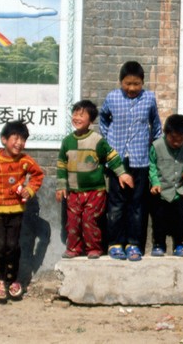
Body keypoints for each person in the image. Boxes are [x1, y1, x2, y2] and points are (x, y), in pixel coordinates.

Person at [99, 61, 163, 262]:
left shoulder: (149, 98)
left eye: (136, 84)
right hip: (117, 160)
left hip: (140, 160)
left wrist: (152, 145)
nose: (132, 88)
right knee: (116, 204)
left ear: (142, 83)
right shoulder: (112, 97)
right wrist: (109, 141)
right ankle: (115, 244)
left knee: (137, 205)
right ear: (121, 82)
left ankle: (134, 244)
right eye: (128, 83)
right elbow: (103, 119)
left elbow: (156, 124)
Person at [55, 100, 133, 260]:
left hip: (95, 191)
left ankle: (94, 248)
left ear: (90, 120)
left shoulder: (97, 140)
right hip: (74, 192)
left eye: (81, 115)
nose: (77, 117)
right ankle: (74, 248)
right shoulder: (67, 141)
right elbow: (61, 164)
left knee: (90, 220)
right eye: (75, 114)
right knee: (72, 222)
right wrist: (61, 185)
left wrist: (122, 173)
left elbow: (112, 157)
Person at [0, 120, 44, 302]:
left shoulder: (25, 161)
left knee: (14, 246)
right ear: (4, 139)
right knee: (0, 246)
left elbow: (38, 175)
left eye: (23, 139)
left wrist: (29, 190)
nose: (19, 143)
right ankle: (0, 279)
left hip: (16, 209)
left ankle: (12, 279)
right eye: (15, 138)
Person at [148, 114, 183, 257]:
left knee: (181, 219)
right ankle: (159, 244)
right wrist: (154, 182)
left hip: (178, 191)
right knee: (159, 219)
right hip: (161, 192)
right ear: (166, 133)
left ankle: (180, 244)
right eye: (173, 139)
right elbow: (152, 165)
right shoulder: (157, 145)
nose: (177, 143)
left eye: (180, 140)